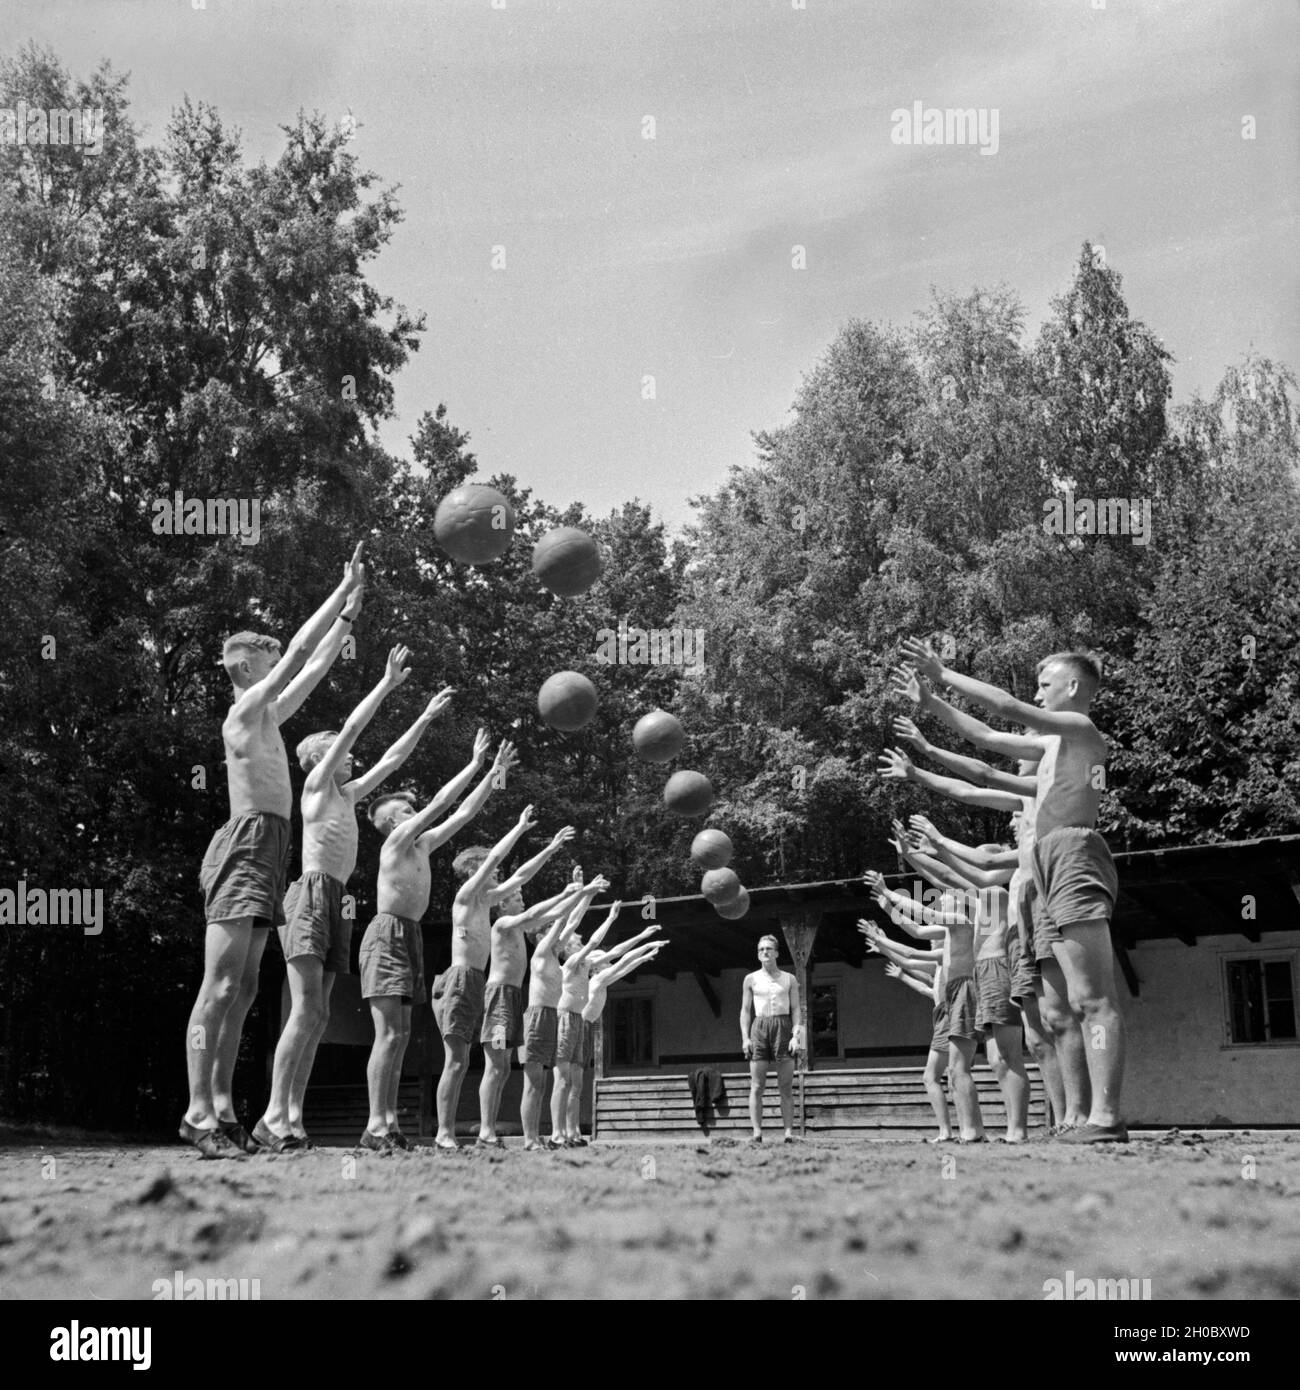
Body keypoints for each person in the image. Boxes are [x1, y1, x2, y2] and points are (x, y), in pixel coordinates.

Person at [180, 542, 366, 1159]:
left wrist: (345, 622)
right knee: (221, 982)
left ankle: (226, 1110)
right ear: (246, 665)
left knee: (247, 989)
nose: (277, 654)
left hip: (271, 843)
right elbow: (297, 659)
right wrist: (340, 594)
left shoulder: (265, 717)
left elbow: (309, 671)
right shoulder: (243, 710)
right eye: (267, 650)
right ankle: (197, 1112)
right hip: (247, 841)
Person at [900, 641, 1125, 1142]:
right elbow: (984, 752)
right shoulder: (1050, 751)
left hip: (1071, 853)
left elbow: (1006, 708)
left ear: (1072, 688)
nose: (1037, 695)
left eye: (1046, 685)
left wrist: (944, 673)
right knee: (1055, 1011)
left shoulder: (1082, 730)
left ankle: (1106, 1118)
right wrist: (933, 705)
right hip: (1047, 864)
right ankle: (1076, 1118)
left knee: (1092, 999)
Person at [254, 645, 454, 1151]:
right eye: (342, 752)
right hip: (310, 894)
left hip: (337, 899)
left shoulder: (349, 794)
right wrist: (386, 684)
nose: (355, 758)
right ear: (323, 759)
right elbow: (352, 732)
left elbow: (391, 758)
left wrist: (425, 717)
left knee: (318, 1014)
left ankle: (291, 1119)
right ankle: (273, 1117)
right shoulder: (318, 785)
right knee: (304, 1011)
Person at [359, 736, 517, 1153]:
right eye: (407, 811)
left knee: (401, 1035)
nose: (416, 814)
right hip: (387, 932)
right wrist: (474, 762)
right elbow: (443, 803)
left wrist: (494, 772)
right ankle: (376, 1123)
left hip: (409, 935)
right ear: (393, 824)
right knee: (388, 1035)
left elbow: (464, 812)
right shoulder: (395, 842)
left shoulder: (423, 845)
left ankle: (388, 1123)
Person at [433, 798, 542, 1149]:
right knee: (456, 1060)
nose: (497, 874)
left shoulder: (488, 900)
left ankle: (483, 1133)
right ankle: (444, 1134)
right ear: (475, 870)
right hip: (461, 978)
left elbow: (521, 875)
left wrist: (550, 849)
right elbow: (495, 858)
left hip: (478, 983)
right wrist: (520, 827)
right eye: (492, 870)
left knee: (470, 1061)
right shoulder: (466, 895)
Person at [475, 825, 582, 1147]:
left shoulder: (521, 929)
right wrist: (565, 892)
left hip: (514, 998)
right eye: (516, 896)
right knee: (494, 1066)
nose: (521, 899)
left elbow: (555, 918)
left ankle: (510, 1135)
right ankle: (485, 1132)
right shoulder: (504, 923)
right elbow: (538, 912)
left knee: (505, 1069)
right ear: (502, 904)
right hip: (499, 999)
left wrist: (578, 892)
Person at [519, 873, 610, 1150]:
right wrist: (580, 892)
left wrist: (588, 894)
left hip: (551, 1017)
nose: (562, 936)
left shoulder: (555, 953)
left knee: (543, 1083)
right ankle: (530, 1139)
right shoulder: (541, 951)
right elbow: (564, 920)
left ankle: (545, 1136)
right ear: (542, 935)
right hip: (536, 1017)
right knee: (534, 1081)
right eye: (552, 932)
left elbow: (572, 922)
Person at [859, 914, 950, 1142]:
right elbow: (924, 985)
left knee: (931, 1078)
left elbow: (909, 958)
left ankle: (947, 1132)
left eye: (935, 934)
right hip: (942, 1015)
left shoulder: (945, 957)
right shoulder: (940, 966)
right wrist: (898, 970)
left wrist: (882, 941)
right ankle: (959, 1131)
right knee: (952, 1076)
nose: (931, 938)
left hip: (947, 1017)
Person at [551, 897, 624, 1147]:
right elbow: (592, 940)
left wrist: (643, 941)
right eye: (575, 940)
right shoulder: (570, 963)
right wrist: (610, 917)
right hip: (565, 1020)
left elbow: (615, 953)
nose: (580, 940)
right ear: (567, 948)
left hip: (579, 1023)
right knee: (562, 1080)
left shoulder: (584, 964)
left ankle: (571, 1132)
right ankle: (557, 1132)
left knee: (576, 1084)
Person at [739, 935, 804, 1143]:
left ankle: (788, 1133)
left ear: (776, 953)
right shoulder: (751, 979)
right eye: (761, 950)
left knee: (785, 1086)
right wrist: (745, 1038)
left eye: (768, 949)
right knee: (757, 1086)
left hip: (784, 1027)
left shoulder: (789, 979)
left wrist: (797, 1037)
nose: (764, 952)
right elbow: (745, 1011)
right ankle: (757, 1133)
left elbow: (797, 1011)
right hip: (759, 1028)